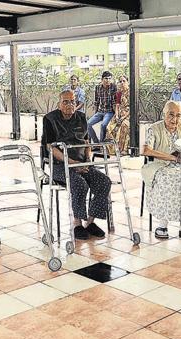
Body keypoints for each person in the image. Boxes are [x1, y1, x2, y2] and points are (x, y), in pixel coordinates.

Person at [42, 89, 111, 240]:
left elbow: (87, 142)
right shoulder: (50, 119)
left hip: (81, 162)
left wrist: (87, 159)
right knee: (79, 184)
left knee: (103, 181)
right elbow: (50, 147)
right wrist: (72, 163)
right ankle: (77, 224)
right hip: (61, 165)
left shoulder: (81, 117)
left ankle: (90, 223)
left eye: (72, 101)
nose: (69, 105)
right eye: (65, 102)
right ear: (59, 104)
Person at [141, 100, 181, 239]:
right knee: (167, 179)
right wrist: (173, 158)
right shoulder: (154, 128)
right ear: (164, 114)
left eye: (178, 115)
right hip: (160, 164)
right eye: (171, 114)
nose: (174, 119)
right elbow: (146, 150)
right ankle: (162, 224)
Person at [87, 71, 116, 143]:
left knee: (103, 125)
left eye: (109, 78)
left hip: (109, 112)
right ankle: (96, 143)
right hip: (100, 111)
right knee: (88, 124)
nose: (108, 80)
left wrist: (116, 114)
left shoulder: (113, 87)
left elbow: (115, 101)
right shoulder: (98, 87)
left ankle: (102, 144)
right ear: (102, 79)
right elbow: (96, 101)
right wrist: (95, 113)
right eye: (106, 78)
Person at [105, 74, 130, 155]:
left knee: (124, 125)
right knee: (109, 127)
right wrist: (116, 115)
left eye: (124, 81)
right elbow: (117, 105)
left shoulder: (131, 92)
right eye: (120, 81)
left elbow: (132, 107)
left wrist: (123, 117)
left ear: (128, 82)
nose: (122, 83)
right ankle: (112, 150)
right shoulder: (119, 93)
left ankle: (123, 149)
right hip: (119, 113)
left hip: (128, 115)